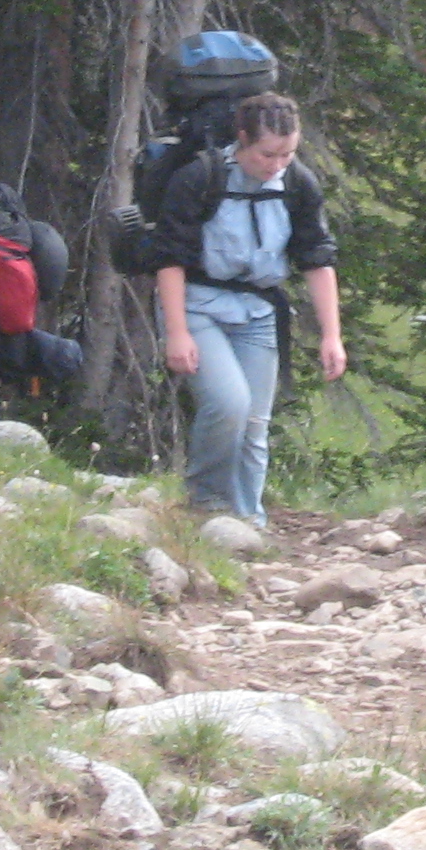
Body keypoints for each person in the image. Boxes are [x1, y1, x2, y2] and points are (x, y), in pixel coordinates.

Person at [137, 91, 346, 527]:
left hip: (259, 308)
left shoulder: (297, 182)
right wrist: (176, 332)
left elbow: (317, 259)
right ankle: (206, 504)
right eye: (267, 154)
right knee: (228, 405)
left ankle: (249, 519)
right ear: (243, 140)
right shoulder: (201, 178)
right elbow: (169, 259)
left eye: (287, 154)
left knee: (254, 423)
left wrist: (331, 335)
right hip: (198, 305)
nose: (277, 164)